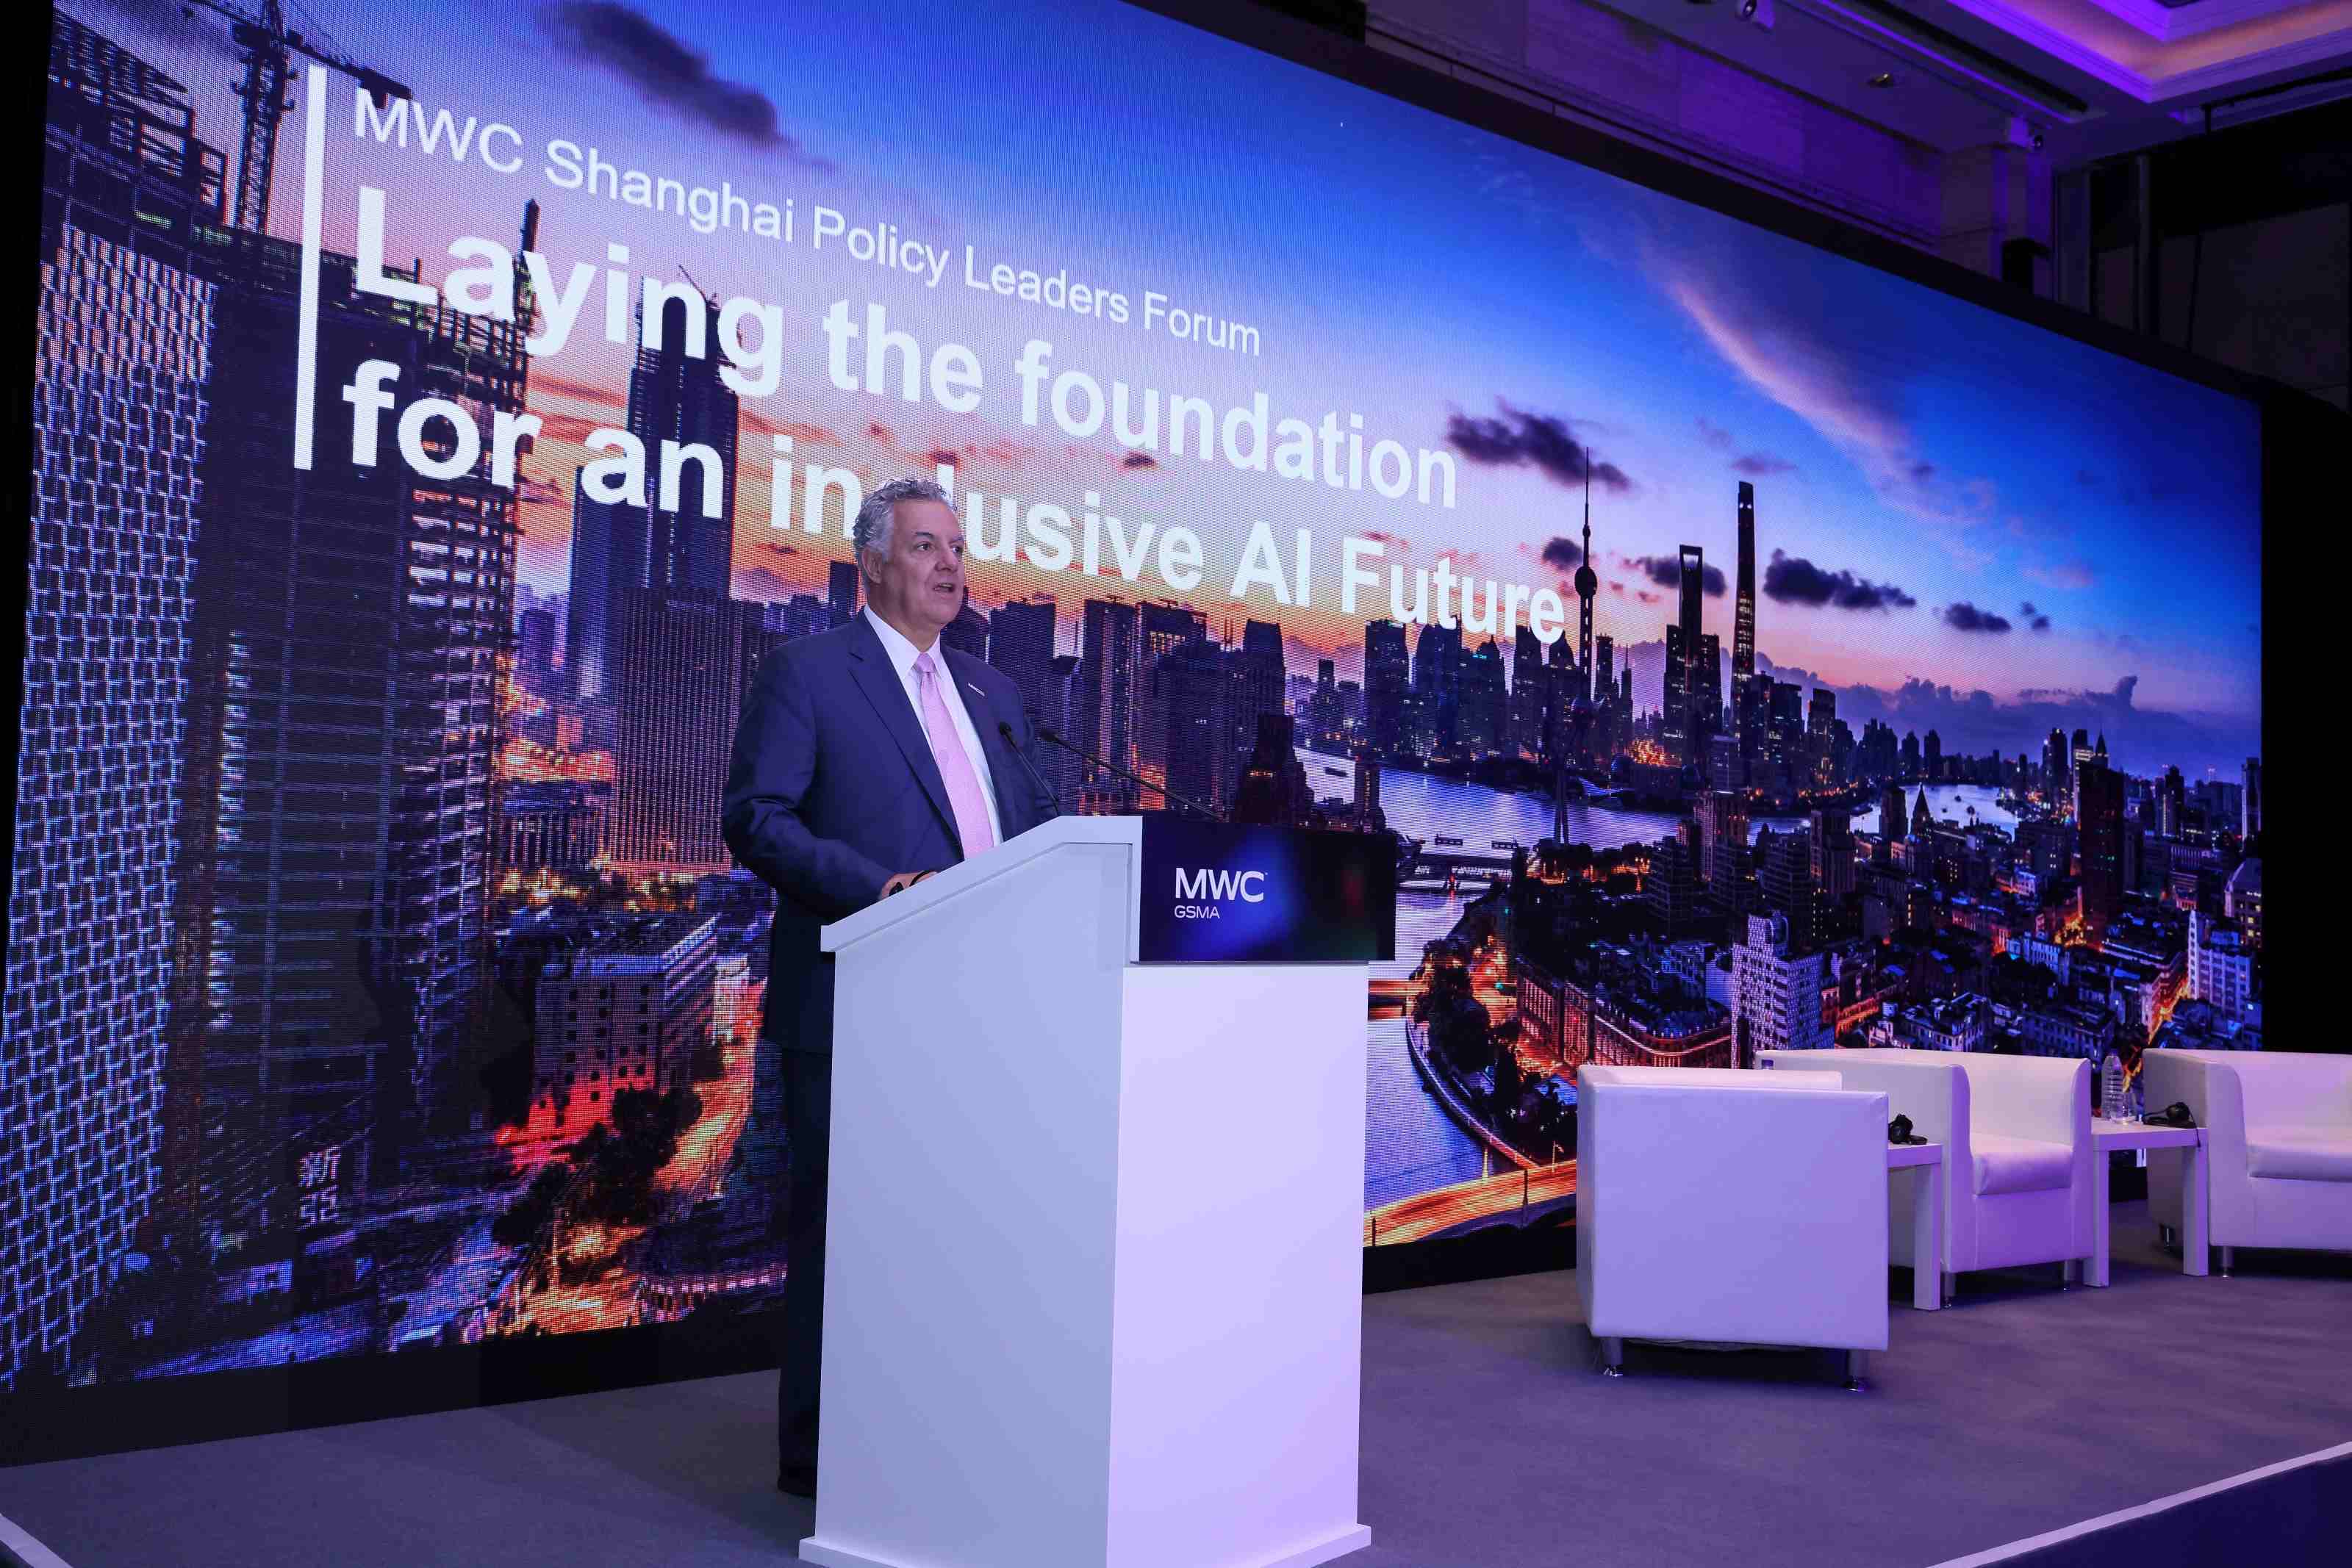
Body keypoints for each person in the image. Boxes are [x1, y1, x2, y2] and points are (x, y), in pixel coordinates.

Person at [722, 475, 1055, 1498]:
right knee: (849, 1242)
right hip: (864, 998)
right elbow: (757, 816)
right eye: (926, 547)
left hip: (992, 1010)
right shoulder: (809, 674)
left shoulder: (996, 695)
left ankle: (960, 1431)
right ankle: (826, 1462)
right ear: (872, 562)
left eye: (958, 546)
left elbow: (1039, 834)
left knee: (974, 1240)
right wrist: (881, 891)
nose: (952, 564)